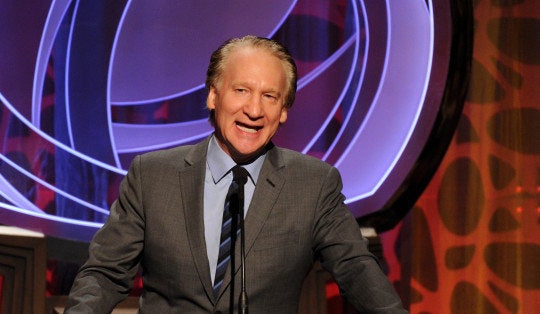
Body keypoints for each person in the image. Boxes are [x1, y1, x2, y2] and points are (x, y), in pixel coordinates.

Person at [65, 35, 407, 313]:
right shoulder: (153, 176)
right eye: (241, 90)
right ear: (214, 95)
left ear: (283, 111)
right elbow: (105, 276)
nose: (254, 110)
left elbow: (356, 269)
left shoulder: (313, 185)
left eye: (270, 96)